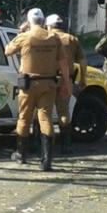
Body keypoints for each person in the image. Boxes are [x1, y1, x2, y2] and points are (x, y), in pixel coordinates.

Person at [5, 8, 71, 171]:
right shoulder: (53, 37)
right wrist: (66, 83)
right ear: (43, 21)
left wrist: (21, 31)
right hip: (48, 84)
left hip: (28, 85)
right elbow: (63, 62)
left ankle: (21, 155)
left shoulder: (24, 37)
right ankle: (46, 161)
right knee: (45, 119)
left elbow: (7, 51)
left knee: (24, 119)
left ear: (29, 21)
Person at [45, 13, 87, 154]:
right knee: (64, 112)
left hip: (47, 79)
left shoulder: (46, 37)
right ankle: (65, 145)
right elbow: (82, 61)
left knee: (44, 112)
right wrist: (83, 80)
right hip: (66, 79)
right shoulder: (71, 39)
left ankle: (41, 145)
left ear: (49, 26)